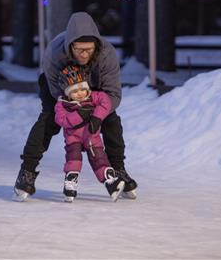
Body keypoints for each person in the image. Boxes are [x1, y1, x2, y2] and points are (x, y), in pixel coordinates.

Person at [13, 12, 138, 201]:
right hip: (60, 88)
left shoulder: (107, 54)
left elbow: (113, 94)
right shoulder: (55, 53)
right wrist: (77, 111)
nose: (85, 54)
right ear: (70, 46)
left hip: (95, 89)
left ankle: (118, 170)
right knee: (48, 121)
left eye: (89, 49)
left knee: (111, 120)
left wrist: (95, 114)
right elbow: (55, 92)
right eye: (79, 49)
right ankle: (26, 172)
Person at [54, 65, 125, 202]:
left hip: (92, 136)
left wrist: (97, 118)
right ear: (67, 93)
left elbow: (106, 101)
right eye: (74, 91)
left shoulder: (94, 97)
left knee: (99, 158)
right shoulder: (62, 104)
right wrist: (79, 115)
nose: (80, 93)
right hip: (73, 138)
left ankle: (110, 182)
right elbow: (61, 120)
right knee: (73, 160)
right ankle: (70, 182)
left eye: (82, 89)